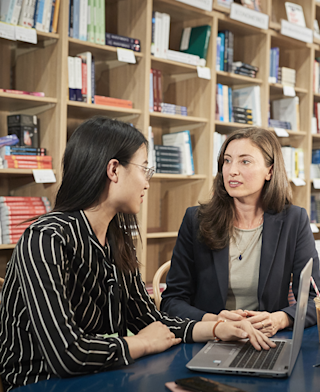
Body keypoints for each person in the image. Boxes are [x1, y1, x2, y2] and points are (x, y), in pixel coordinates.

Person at [0, 117, 274, 392]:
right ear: (114, 170)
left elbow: (147, 319)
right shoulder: (46, 238)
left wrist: (216, 328)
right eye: (144, 169)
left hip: (103, 376)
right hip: (42, 384)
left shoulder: (117, 238)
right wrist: (141, 343)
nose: (147, 183)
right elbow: (67, 354)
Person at [161, 127, 320, 337]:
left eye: (244, 161)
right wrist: (216, 322)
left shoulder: (294, 220)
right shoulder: (196, 219)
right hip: (210, 338)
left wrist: (280, 318)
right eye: (227, 161)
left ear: (270, 171)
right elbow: (172, 301)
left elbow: (316, 299)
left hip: (268, 339)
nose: (232, 170)